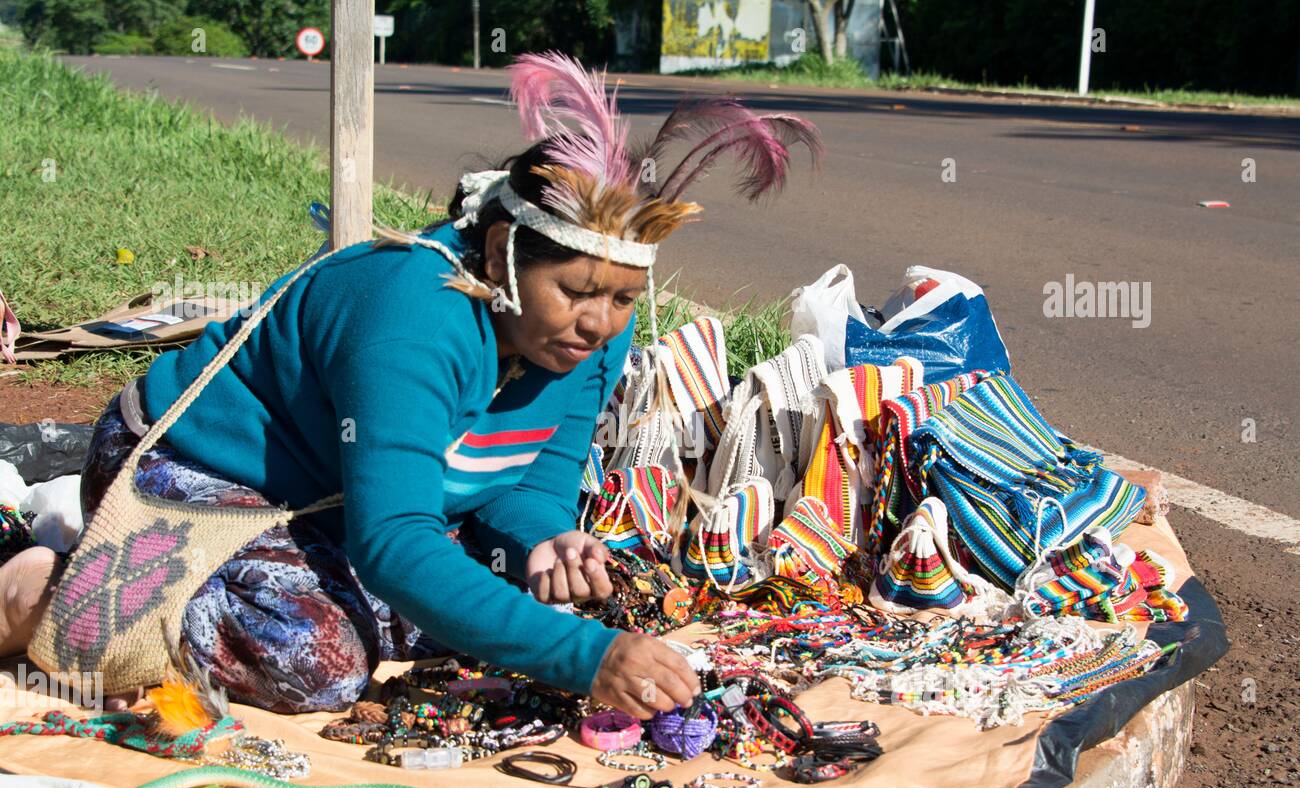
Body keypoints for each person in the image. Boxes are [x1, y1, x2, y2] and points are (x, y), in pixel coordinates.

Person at [0, 52, 820, 717]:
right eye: (574, 292)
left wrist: (541, 538)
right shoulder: (411, 318)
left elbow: (532, 469)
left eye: (621, 299)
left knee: (472, 607)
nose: (599, 323)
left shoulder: (588, 333)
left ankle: (195, 581)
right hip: (201, 469)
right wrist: (588, 659)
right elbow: (393, 543)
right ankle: (51, 593)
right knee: (316, 663)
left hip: (334, 497)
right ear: (500, 253)